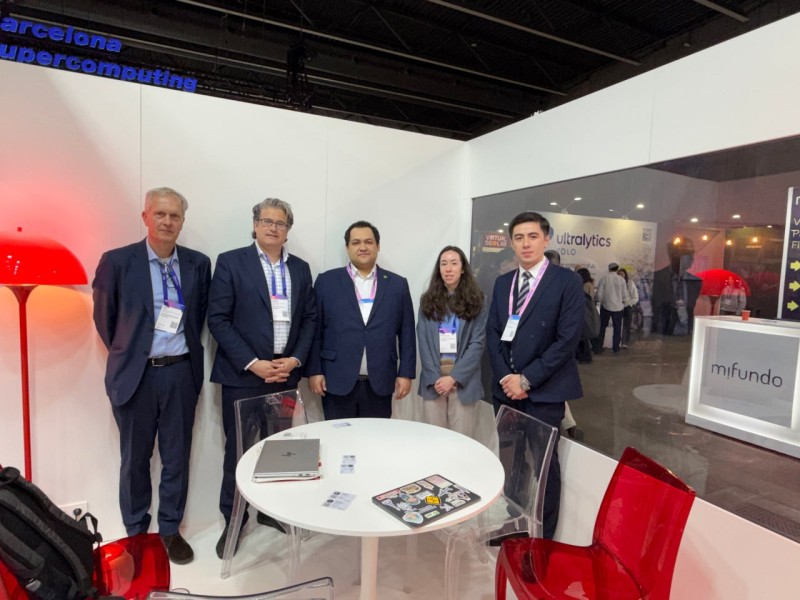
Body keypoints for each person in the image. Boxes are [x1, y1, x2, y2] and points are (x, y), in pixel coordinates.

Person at [92, 187, 211, 565]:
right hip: (136, 376)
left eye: (175, 215)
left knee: (177, 457)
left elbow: (197, 317)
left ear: (183, 221)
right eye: (160, 214)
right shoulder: (117, 261)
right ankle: (136, 533)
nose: (167, 221)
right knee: (135, 460)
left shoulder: (197, 264)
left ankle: (170, 530)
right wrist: (133, 354)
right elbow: (105, 320)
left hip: (180, 374)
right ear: (145, 217)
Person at [207, 198, 316, 558]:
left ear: (288, 230)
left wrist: (295, 360)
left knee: (281, 450)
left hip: (285, 377)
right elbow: (218, 319)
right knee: (239, 452)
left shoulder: (300, 268)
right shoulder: (231, 262)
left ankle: (273, 511)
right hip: (243, 377)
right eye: (266, 221)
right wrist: (252, 362)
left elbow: (309, 319)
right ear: (254, 225)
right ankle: (234, 521)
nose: (273, 228)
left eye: (280, 223)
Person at [486, 211, 584, 539]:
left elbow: (567, 340)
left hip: (544, 391)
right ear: (511, 243)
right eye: (519, 238)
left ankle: (542, 540)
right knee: (511, 463)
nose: (525, 243)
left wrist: (526, 380)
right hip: (506, 392)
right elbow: (493, 334)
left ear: (546, 239)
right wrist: (507, 378)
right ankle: (513, 528)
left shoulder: (566, 281)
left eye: (532, 236)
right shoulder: (503, 284)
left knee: (544, 468)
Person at [307, 221, 415, 419]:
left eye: (369, 242)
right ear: (347, 247)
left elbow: (407, 333)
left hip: (381, 381)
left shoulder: (397, 284)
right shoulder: (326, 282)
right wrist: (314, 371)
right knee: (338, 434)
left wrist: (406, 373)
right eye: (356, 242)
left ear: (378, 246)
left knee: (375, 435)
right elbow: (315, 331)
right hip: (335, 379)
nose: (363, 247)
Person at [417, 246, 487, 437]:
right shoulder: (427, 301)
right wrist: (436, 378)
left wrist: (454, 377)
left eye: (454, 263)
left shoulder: (477, 301)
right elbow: (423, 341)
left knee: (461, 441)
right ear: (438, 269)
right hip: (434, 383)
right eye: (444, 264)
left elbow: (477, 344)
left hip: (463, 383)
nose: (448, 269)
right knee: (434, 440)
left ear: (463, 269)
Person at [651, 237, 702, 335]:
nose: (691, 257)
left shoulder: (695, 282)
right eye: (686, 253)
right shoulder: (657, 278)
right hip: (663, 332)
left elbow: (690, 307)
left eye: (692, 253)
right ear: (674, 255)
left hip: (686, 333)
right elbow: (655, 307)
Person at [595, 262, 628, 353]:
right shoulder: (621, 280)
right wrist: (622, 302)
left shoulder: (604, 278)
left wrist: (602, 302)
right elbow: (625, 295)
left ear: (609, 269)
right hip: (618, 307)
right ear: (617, 269)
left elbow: (599, 293)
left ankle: (599, 347)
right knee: (617, 328)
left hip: (606, 306)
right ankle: (616, 348)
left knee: (602, 327)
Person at [575, 268, 597, 363]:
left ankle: (584, 356)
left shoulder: (585, 285)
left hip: (583, 311)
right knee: (584, 336)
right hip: (587, 310)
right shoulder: (590, 284)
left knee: (582, 336)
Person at [618, 267, 639, 349]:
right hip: (617, 306)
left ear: (625, 275)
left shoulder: (630, 283)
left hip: (627, 306)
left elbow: (635, 297)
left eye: (622, 274)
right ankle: (617, 341)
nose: (620, 276)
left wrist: (629, 304)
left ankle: (624, 342)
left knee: (626, 324)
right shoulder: (615, 283)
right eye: (618, 274)